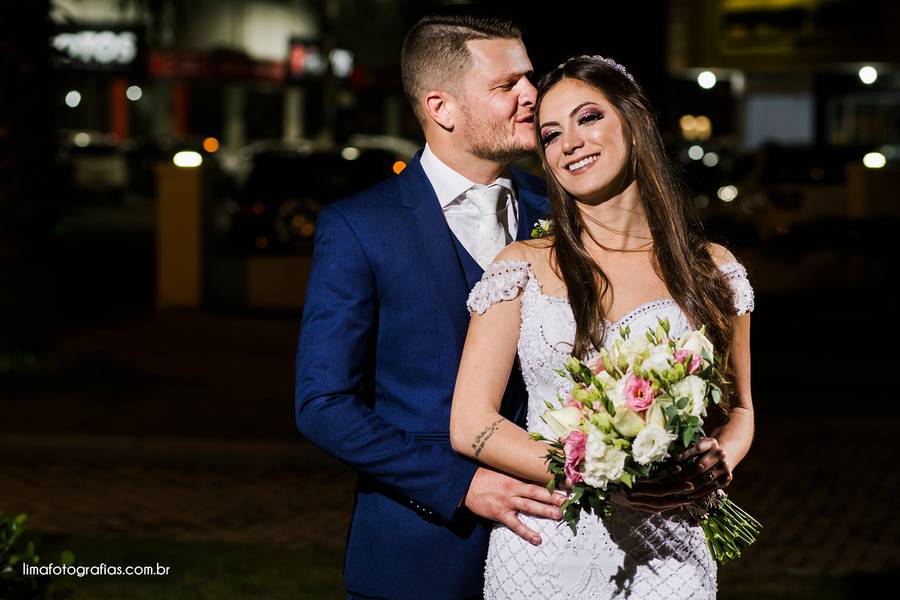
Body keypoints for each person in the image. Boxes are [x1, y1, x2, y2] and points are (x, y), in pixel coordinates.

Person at [449, 55, 756, 598]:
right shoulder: (520, 266)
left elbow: (740, 410)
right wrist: (594, 469)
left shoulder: (712, 269)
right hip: (547, 546)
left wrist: (719, 455)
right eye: (550, 133)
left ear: (633, 124)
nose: (569, 142)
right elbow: (472, 422)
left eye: (588, 118)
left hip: (670, 544)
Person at [294, 10, 559, 600]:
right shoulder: (361, 228)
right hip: (421, 555)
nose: (532, 96)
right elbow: (323, 404)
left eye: (529, 78)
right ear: (442, 109)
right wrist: (459, 485)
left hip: (559, 551)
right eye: (506, 86)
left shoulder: (560, 214)